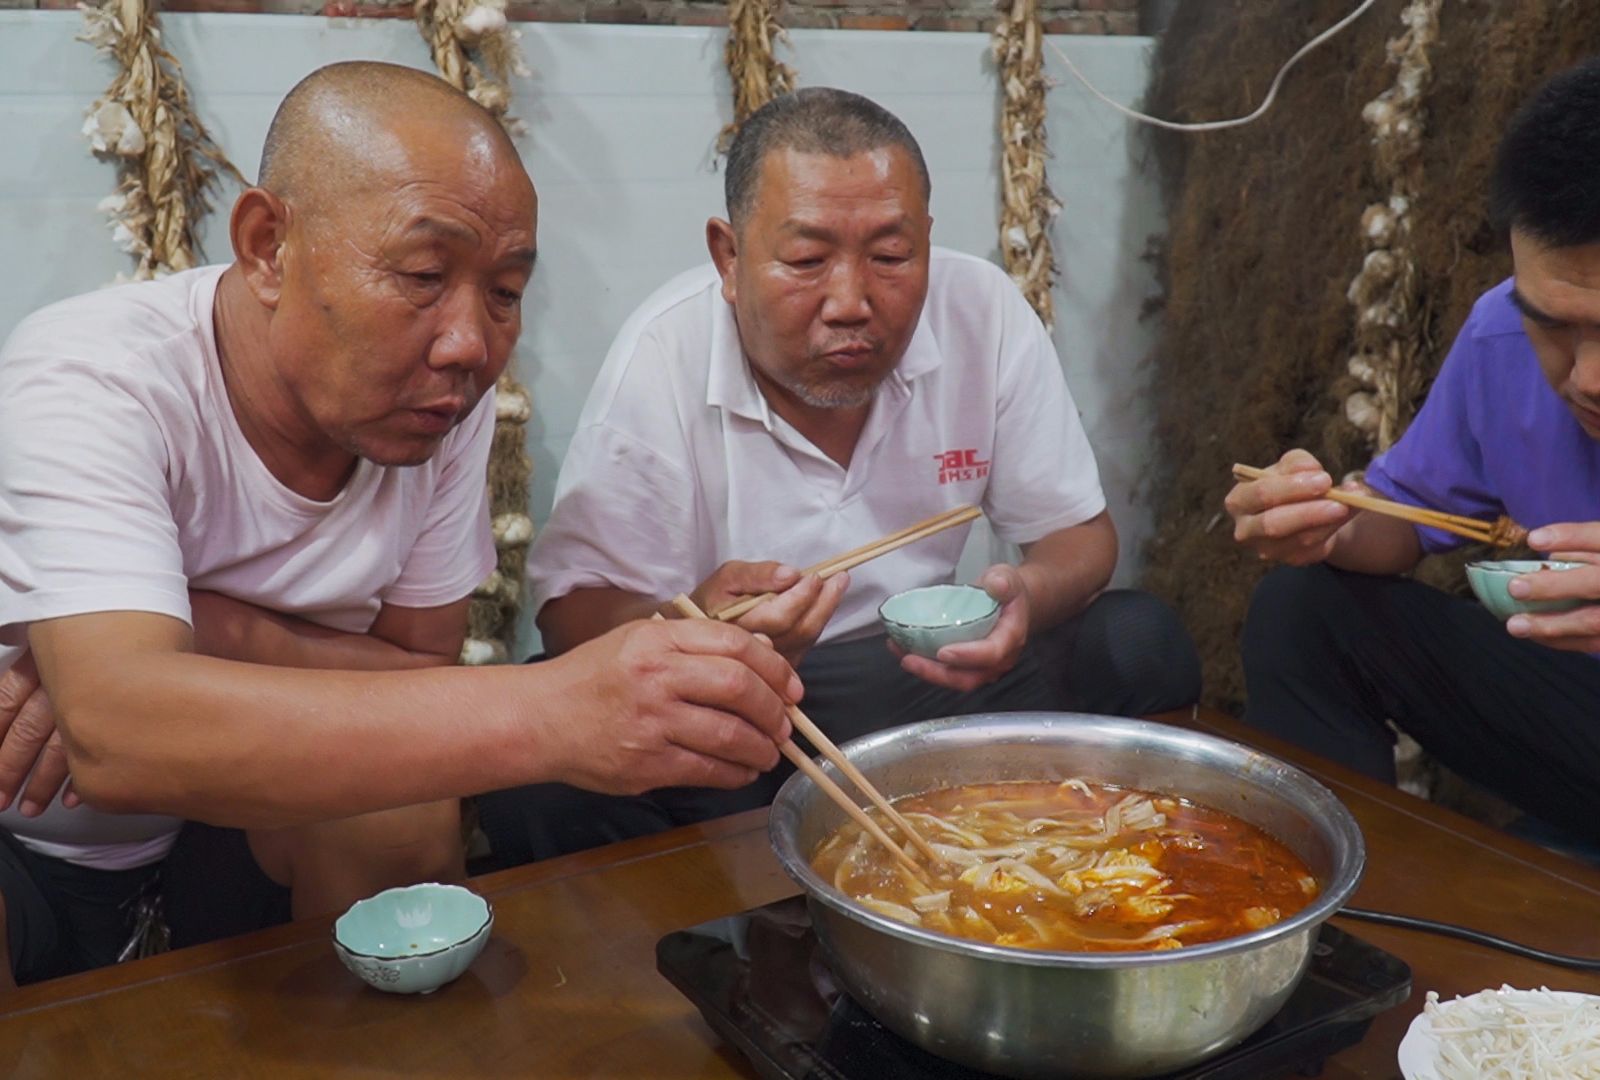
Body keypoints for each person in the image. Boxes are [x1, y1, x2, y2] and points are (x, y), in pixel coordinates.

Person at [0, 61, 801, 988]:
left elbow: (418, 676)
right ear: (267, 245)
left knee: (401, 811)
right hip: (27, 842)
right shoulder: (95, 379)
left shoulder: (433, 401)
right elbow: (120, 740)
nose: (468, 343)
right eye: (422, 274)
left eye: (504, 292)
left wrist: (203, 635)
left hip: (226, 833)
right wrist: (560, 708)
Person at [485, 87, 1200, 863]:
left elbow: (1078, 538)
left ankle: (1119, 872)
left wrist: (1024, 598)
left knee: (1137, 639)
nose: (852, 301)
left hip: (926, 678)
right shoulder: (665, 353)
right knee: (544, 777)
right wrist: (695, 628)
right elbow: (571, 617)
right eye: (806, 260)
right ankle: (735, 944)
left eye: (892, 256)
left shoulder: (981, 311)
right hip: (753, 700)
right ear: (730, 257)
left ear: (926, 242)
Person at [1227, 43, 1600, 887]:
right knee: (1306, 608)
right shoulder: (1503, 338)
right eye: (1554, 322)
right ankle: (1331, 933)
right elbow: (1403, 515)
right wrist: (1326, 522)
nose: (1591, 377)